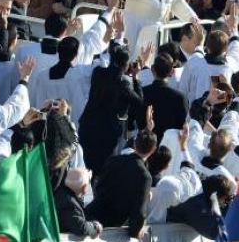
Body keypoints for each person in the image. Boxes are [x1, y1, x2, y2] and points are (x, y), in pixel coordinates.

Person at [79, 43, 144, 172]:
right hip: (107, 133)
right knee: (103, 170)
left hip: (88, 126)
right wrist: (136, 78)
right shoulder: (123, 84)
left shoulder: (97, 73)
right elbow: (140, 101)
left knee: (86, 167)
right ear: (126, 65)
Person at [86, 129, 156, 239]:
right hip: (111, 227)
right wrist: (135, 232)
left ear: (134, 143)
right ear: (153, 150)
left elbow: (99, 186)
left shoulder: (113, 160)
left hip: (93, 213)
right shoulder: (145, 177)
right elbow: (139, 211)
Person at [141, 54, 189, 138]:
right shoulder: (180, 98)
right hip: (170, 147)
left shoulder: (142, 93)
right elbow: (183, 128)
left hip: (145, 145)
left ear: (152, 69)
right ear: (172, 71)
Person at [54, 168, 103, 238]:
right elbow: (80, 228)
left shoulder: (62, 191)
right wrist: (95, 226)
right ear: (84, 187)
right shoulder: (69, 204)